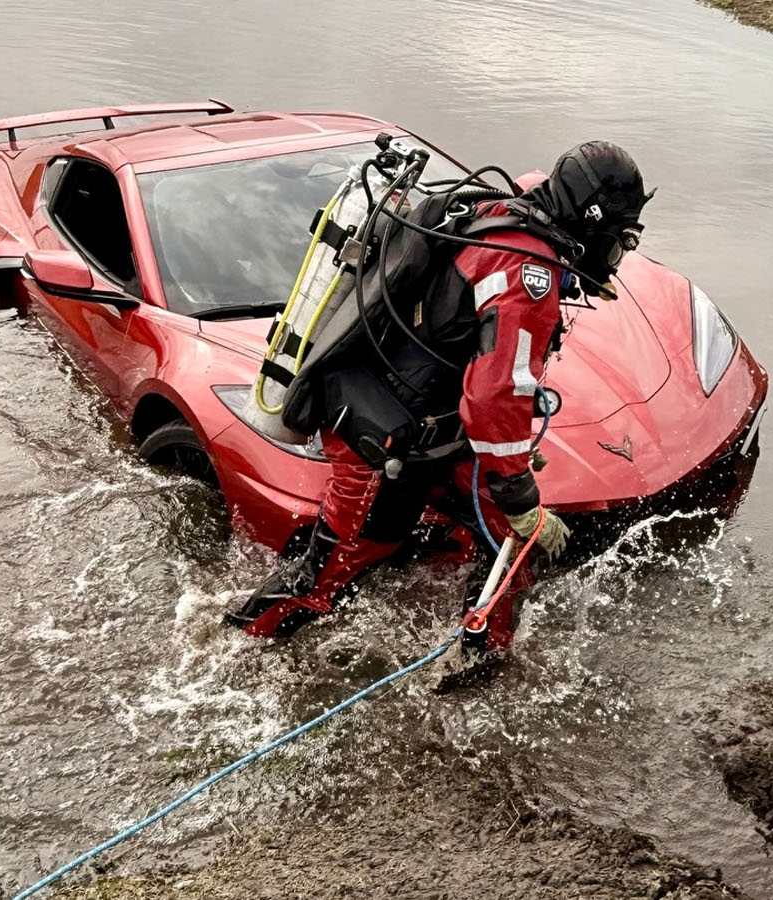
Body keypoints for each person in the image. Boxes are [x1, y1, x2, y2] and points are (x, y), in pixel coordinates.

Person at [224, 141, 652, 659]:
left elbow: (487, 379)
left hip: (435, 427)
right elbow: (495, 397)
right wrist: (518, 491)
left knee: (514, 544)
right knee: (332, 571)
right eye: (622, 237)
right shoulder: (526, 272)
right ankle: (237, 647)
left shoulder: (505, 214)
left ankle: (475, 665)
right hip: (382, 439)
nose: (620, 254)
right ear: (595, 220)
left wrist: (512, 476)